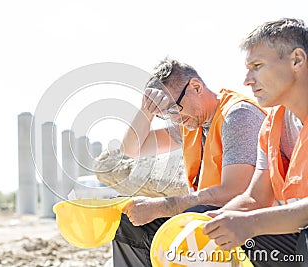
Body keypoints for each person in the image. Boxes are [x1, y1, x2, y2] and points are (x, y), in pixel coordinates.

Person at [113, 58, 267, 266]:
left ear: (195, 87)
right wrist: (146, 111)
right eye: (165, 114)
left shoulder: (238, 116)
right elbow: (131, 149)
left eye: (174, 109)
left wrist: (163, 207)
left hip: (255, 228)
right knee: (128, 221)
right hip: (209, 217)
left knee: (191, 218)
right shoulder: (189, 123)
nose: (174, 119)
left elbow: (235, 192)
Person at [202, 18, 308, 267]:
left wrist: (251, 224)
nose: (247, 80)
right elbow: (255, 199)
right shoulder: (272, 125)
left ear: (297, 60)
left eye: (257, 66)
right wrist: (217, 220)